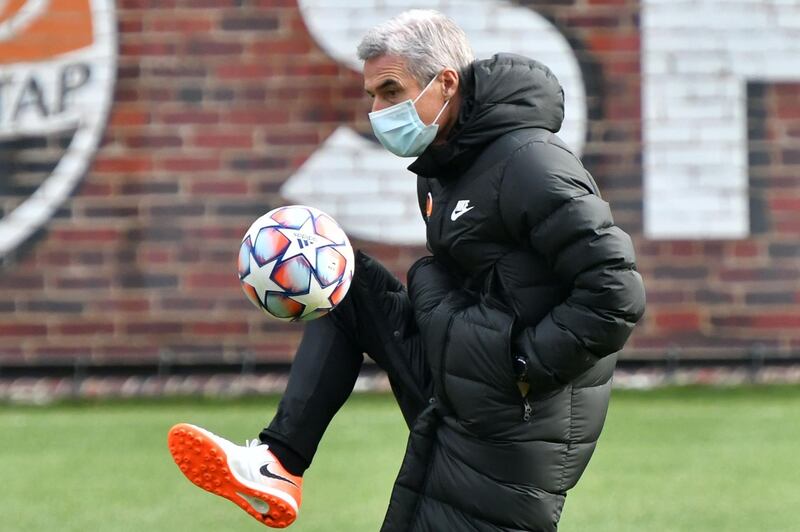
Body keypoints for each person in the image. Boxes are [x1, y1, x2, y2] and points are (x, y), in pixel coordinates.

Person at [168, 9, 646, 531]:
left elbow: (615, 292)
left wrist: (524, 366)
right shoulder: (442, 168)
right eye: (373, 95)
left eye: (391, 91)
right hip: (462, 376)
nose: (377, 111)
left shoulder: (532, 162)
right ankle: (277, 462)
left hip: (513, 420)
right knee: (340, 274)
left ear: (444, 83)